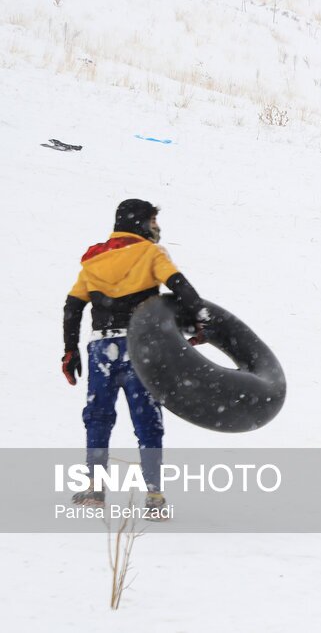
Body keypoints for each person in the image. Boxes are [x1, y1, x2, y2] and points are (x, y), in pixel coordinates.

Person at [62, 199, 208, 511]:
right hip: (141, 347)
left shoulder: (94, 260)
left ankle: (94, 489)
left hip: (101, 348)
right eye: (153, 222)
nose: (157, 228)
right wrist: (199, 318)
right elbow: (179, 286)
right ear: (141, 223)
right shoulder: (151, 253)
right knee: (147, 418)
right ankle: (154, 495)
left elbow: (73, 306)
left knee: (97, 417)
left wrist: (70, 350)